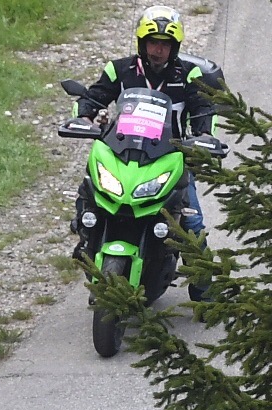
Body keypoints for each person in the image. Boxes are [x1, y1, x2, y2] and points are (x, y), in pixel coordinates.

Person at [69, 5, 217, 300]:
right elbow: (94, 96)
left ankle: (205, 290)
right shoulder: (119, 70)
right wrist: (83, 117)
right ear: (142, 42)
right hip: (121, 153)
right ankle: (89, 245)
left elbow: (203, 109)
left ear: (174, 47)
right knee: (90, 199)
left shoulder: (189, 75)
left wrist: (203, 136)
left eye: (164, 44)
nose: (158, 50)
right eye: (153, 42)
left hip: (170, 158)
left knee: (191, 223)